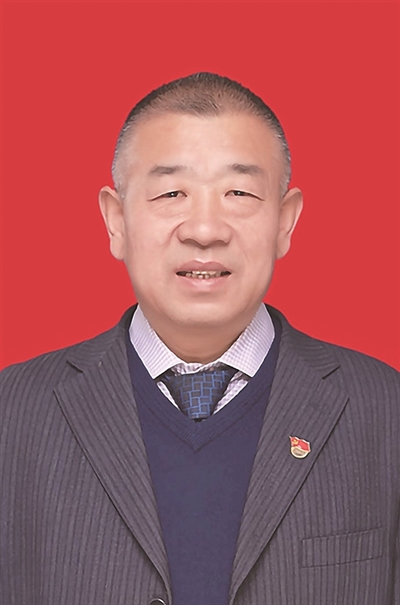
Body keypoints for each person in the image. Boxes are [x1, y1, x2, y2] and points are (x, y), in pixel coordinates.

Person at [1, 73, 399, 605]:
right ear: (116, 221)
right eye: (172, 193)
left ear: (285, 221)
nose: (205, 230)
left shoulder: (384, 409)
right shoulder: (13, 412)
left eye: (239, 193)